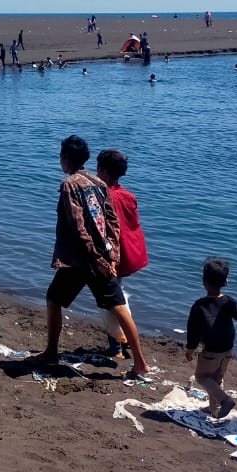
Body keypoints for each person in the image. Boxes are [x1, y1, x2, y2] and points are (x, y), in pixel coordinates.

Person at [32, 135, 151, 377]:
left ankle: (51, 352)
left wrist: (96, 258)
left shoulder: (69, 185)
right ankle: (140, 363)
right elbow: (112, 222)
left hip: (80, 260)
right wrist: (112, 256)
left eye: (61, 156)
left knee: (53, 299)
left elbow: (78, 226)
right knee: (119, 308)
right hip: (102, 258)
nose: (60, 160)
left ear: (66, 158)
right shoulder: (99, 182)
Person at [185, 258, 237, 419]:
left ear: (204, 282)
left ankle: (225, 400)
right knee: (216, 379)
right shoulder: (228, 301)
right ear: (226, 282)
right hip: (228, 349)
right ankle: (214, 408)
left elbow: (193, 332)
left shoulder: (199, 306)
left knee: (202, 377)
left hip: (211, 351)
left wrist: (190, 350)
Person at [95, 149, 147, 357]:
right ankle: (123, 341)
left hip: (111, 256)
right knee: (117, 296)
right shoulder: (128, 196)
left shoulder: (103, 196)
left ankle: (117, 344)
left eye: (98, 169)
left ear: (104, 172)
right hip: (127, 253)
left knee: (109, 301)